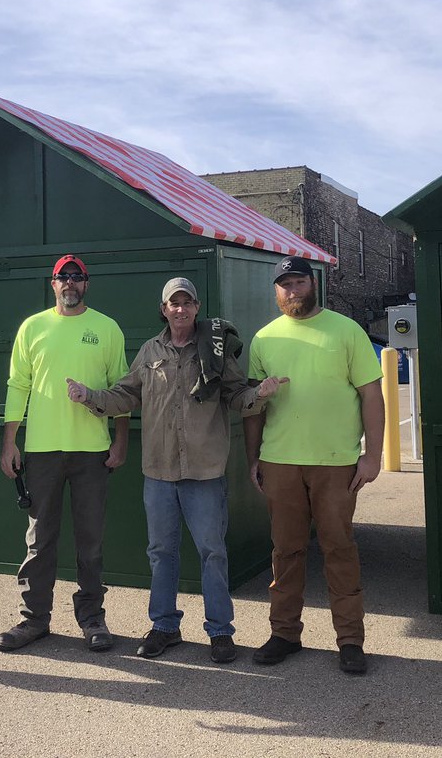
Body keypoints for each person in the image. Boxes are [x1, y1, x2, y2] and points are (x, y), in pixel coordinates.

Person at [66, 277, 287, 664]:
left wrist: (260, 394)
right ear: (163, 309)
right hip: (159, 472)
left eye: (187, 303)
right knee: (161, 552)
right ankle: (164, 626)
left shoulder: (215, 352)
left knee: (212, 553)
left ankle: (220, 632)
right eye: (174, 303)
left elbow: (237, 397)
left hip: (204, 472)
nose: (180, 309)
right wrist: (90, 397)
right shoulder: (151, 352)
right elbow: (125, 396)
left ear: (197, 307)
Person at [243, 256, 385, 675]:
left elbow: (371, 396)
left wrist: (373, 455)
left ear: (313, 284)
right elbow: (253, 406)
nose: (292, 290)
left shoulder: (346, 330)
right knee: (286, 551)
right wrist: (253, 458)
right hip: (280, 461)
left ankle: (350, 640)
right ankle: (284, 633)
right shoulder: (264, 338)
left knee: (339, 549)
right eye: (284, 284)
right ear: (276, 290)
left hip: (335, 463)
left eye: (299, 282)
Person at [0, 255, 129, 653]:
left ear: (86, 283)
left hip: (92, 452)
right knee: (40, 540)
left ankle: (92, 618)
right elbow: (18, 385)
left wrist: (119, 440)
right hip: (41, 451)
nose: (69, 283)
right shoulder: (32, 327)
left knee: (90, 541)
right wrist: (9, 442)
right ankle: (34, 619)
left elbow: (120, 390)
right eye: (62, 277)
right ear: (52, 284)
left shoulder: (106, 328)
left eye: (77, 277)